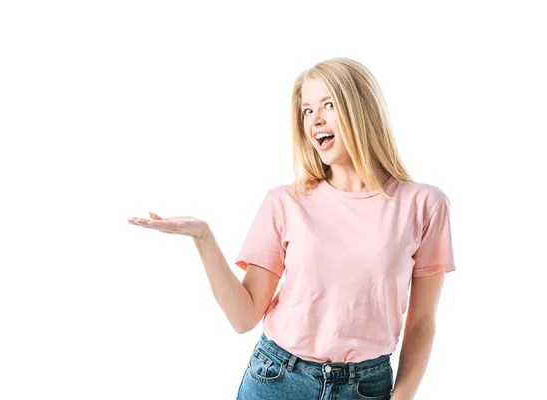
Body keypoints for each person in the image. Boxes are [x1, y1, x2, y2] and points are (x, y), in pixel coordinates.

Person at [128, 57, 456, 400]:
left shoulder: (425, 205)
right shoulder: (286, 202)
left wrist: (403, 395)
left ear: (361, 109)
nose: (315, 120)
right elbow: (243, 317)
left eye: (328, 104)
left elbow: (420, 323)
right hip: (277, 378)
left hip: (366, 387)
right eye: (306, 111)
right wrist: (203, 237)